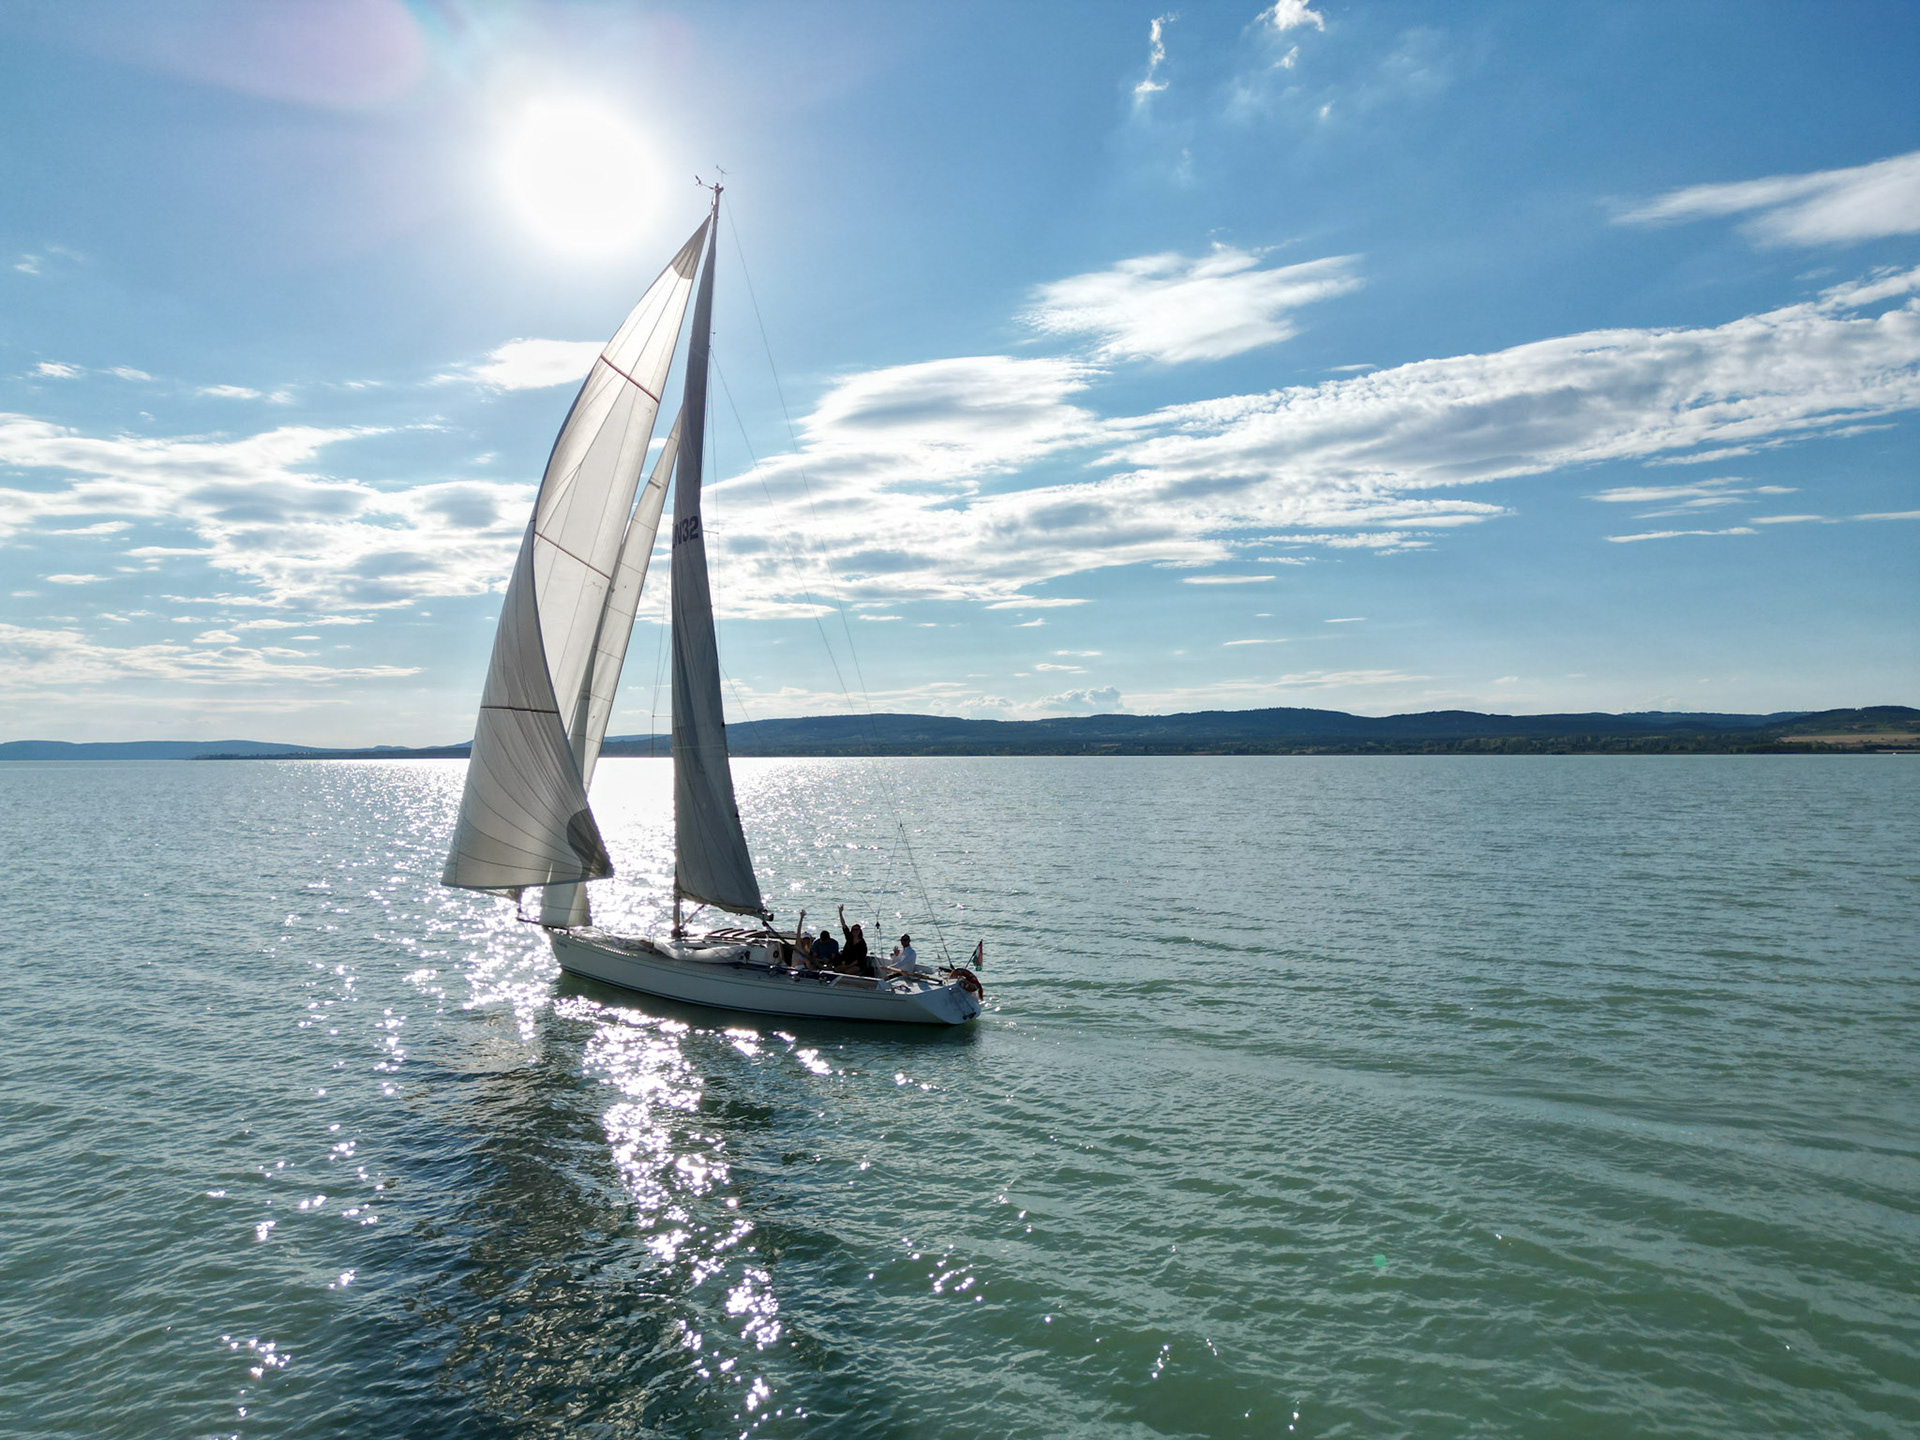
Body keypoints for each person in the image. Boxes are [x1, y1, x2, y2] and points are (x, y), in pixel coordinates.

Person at [838, 905, 873, 976]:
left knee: (847, 971)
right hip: (847, 962)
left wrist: (847, 966)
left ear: (860, 931)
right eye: (853, 929)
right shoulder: (849, 937)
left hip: (858, 964)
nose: (855, 931)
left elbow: (859, 960)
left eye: (857, 929)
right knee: (837, 969)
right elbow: (844, 925)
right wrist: (840, 913)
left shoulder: (862, 944)